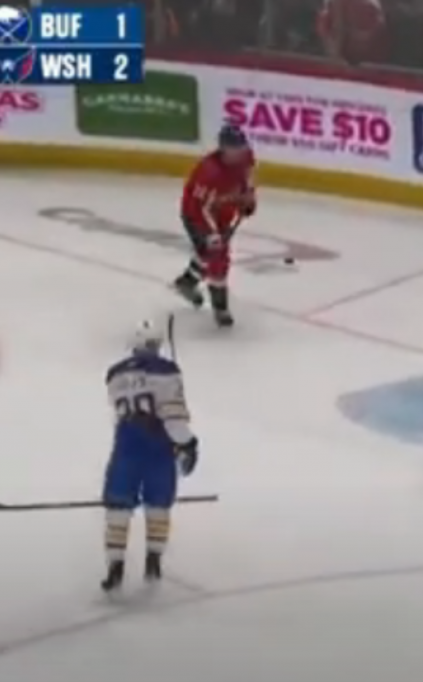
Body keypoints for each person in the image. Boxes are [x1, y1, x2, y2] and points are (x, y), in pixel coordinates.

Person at [101, 318, 199, 592]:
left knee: (118, 504)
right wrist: (187, 443)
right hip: (157, 445)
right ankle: (153, 561)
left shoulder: (114, 374)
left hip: (126, 443)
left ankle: (115, 566)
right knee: (158, 502)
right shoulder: (166, 371)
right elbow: (172, 417)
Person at [175, 124, 257, 327]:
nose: (240, 151)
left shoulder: (246, 158)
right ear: (223, 149)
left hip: (223, 212)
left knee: (207, 255)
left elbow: (247, 182)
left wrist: (248, 201)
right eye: (234, 148)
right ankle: (220, 308)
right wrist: (211, 234)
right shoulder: (209, 172)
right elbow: (200, 208)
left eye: (241, 146)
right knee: (217, 257)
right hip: (197, 217)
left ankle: (187, 281)